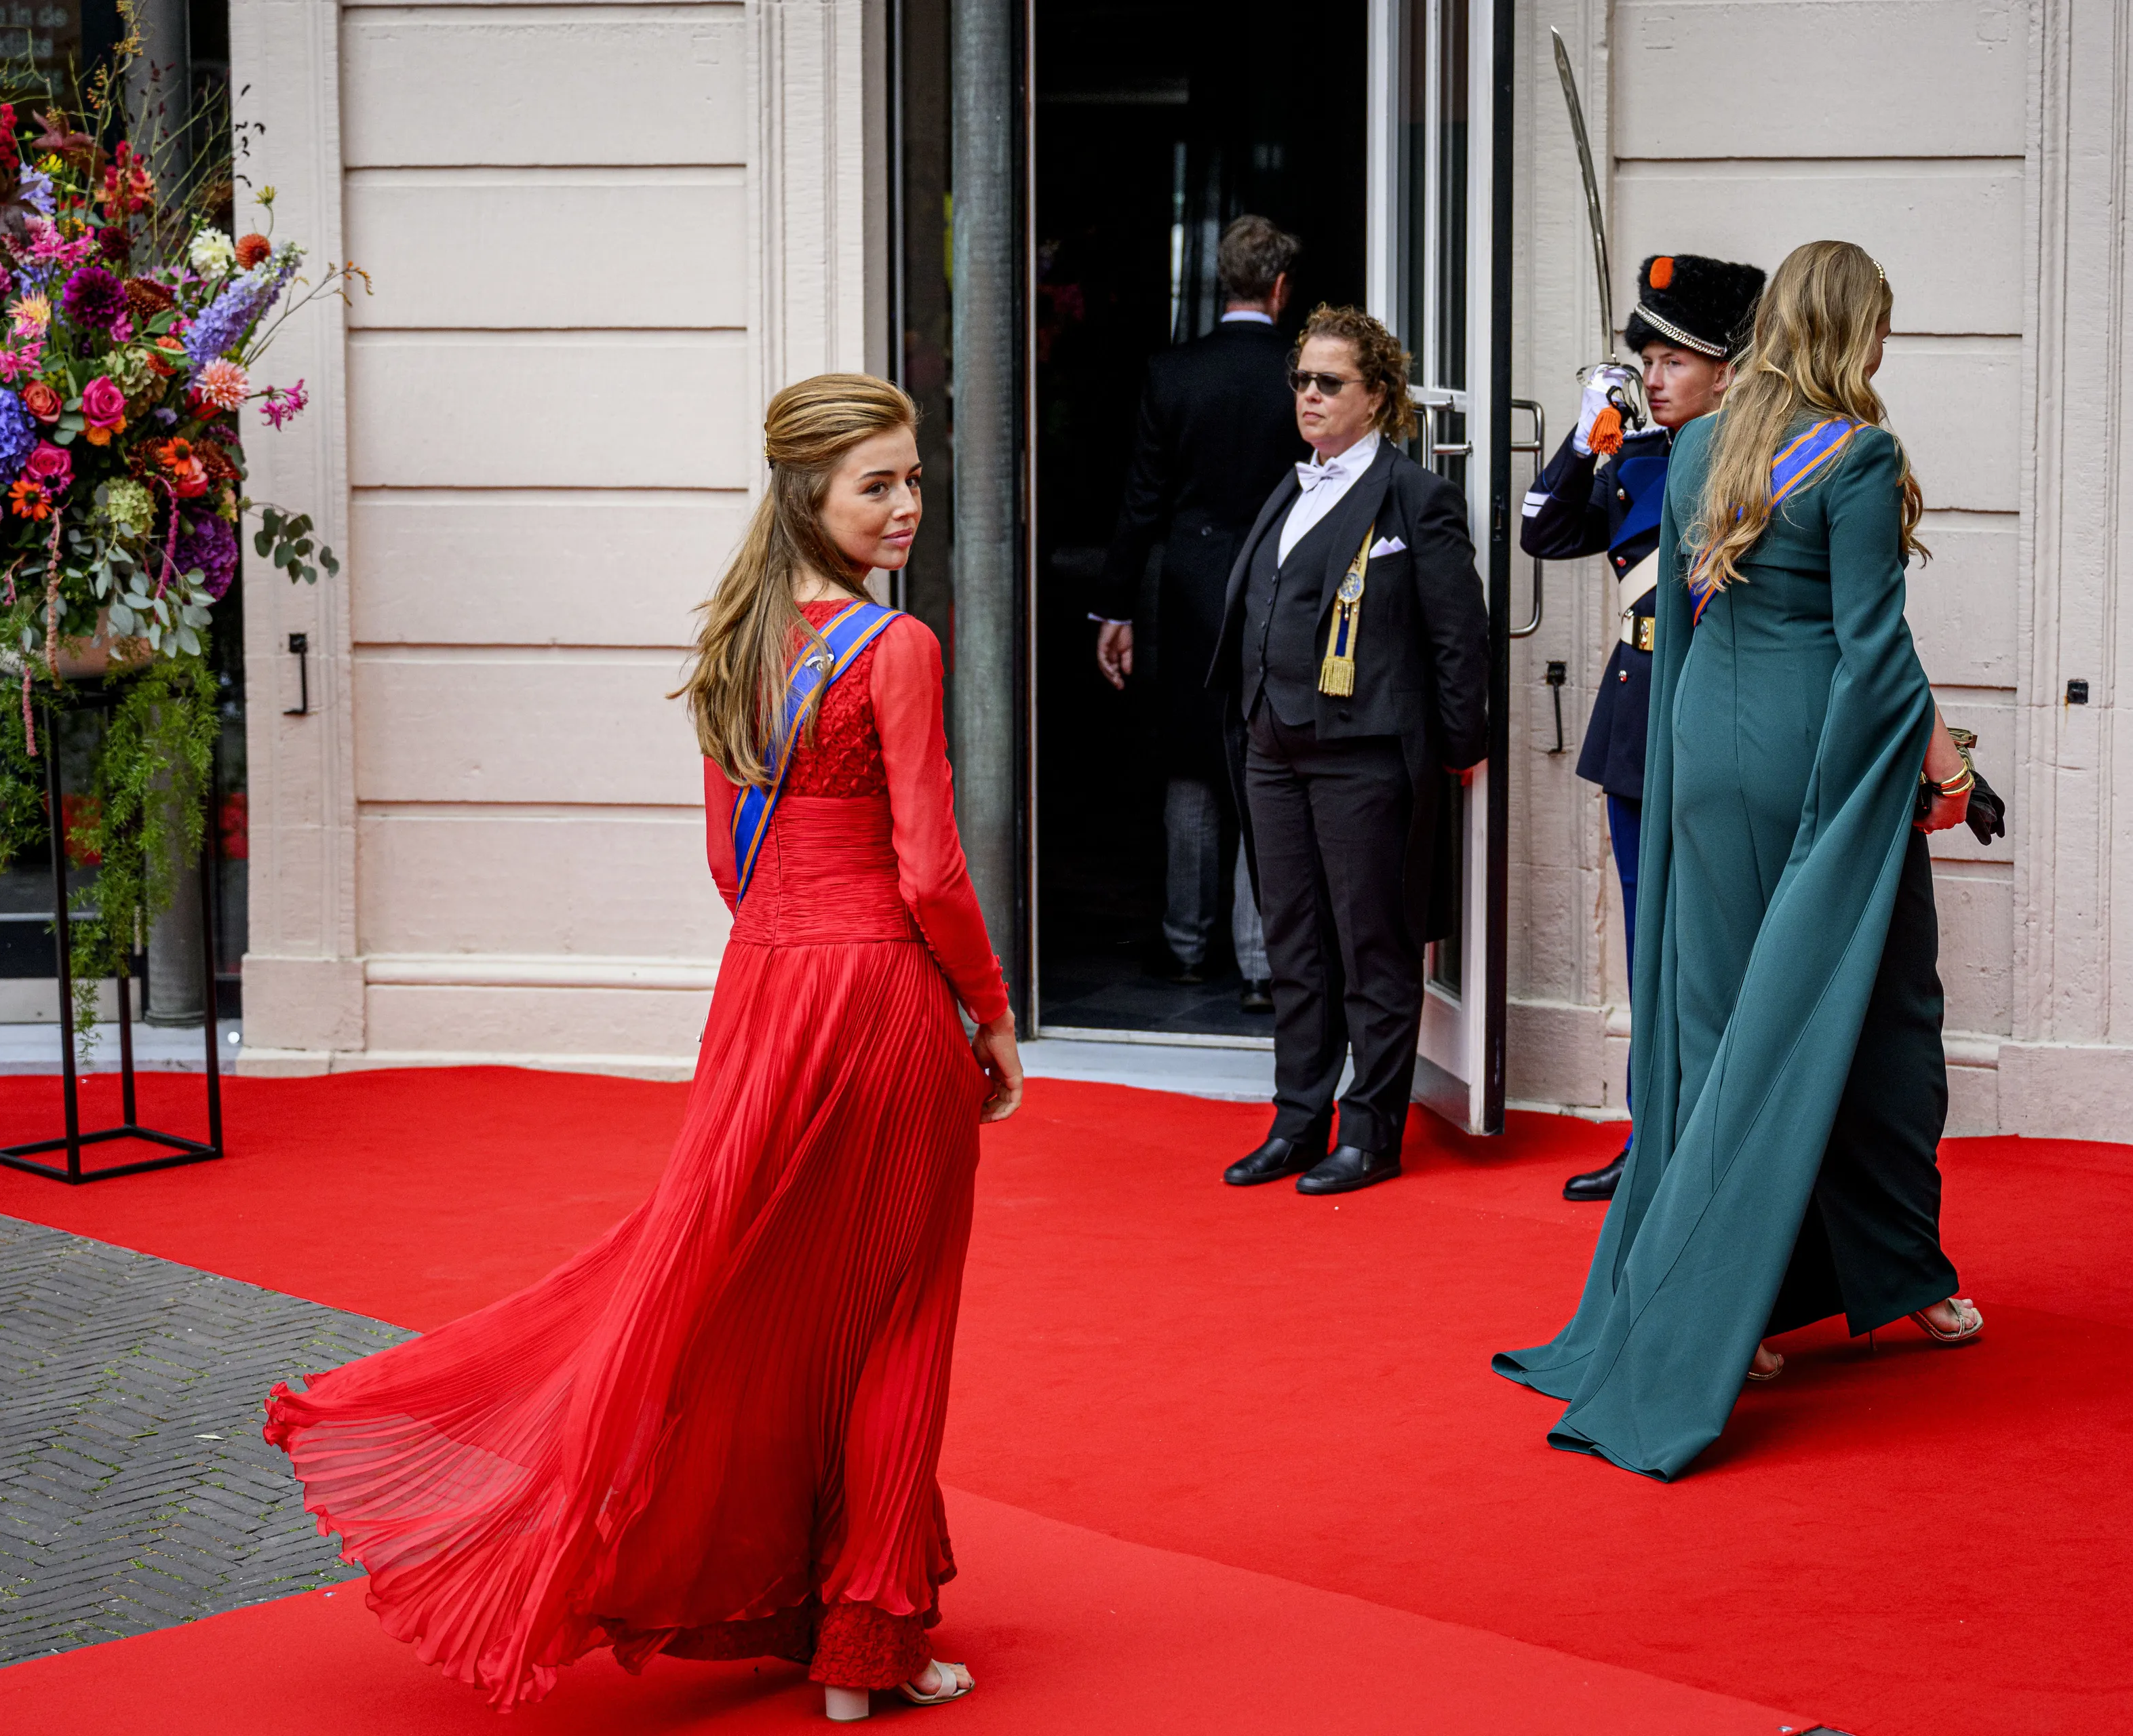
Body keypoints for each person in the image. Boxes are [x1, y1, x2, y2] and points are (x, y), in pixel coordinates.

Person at [267, 374, 1023, 1722]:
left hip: (763, 998)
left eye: (913, 479)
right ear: (809, 492)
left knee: (756, 1301)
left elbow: (726, 865)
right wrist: (992, 1011)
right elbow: (932, 869)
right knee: (896, 1321)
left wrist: (794, 945)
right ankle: (868, 1648)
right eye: (879, 484)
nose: (908, 506)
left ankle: (822, 1619)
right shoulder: (893, 649)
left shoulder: (736, 638)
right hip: (883, 998)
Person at [1493, 241, 1985, 1480]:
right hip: (1814, 768)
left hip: (1704, 762)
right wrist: (1923, 777)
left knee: (1720, 1037)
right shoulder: (1858, 455)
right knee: (1882, 1023)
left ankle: (1763, 1308)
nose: (1885, 349)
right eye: (1879, 326)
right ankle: (1862, 1283)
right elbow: (1874, 651)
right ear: (1849, 332)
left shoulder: (1706, 444)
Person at [1209, 305, 1491, 1196]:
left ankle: (1371, 1133)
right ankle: (1299, 1121)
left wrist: (1459, 747)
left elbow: (1458, 636)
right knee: (1294, 943)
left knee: (1373, 944)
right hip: (1270, 744)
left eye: (1330, 382)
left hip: (1364, 751)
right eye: (1301, 380)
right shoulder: (1293, 486)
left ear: (1379, 396)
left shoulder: (1416, 497)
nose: (1310, 396)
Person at [1522, 253, 1766, 1202]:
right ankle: (1650, 1134)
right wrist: (1588, 441)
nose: (1652, 380)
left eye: (1671, 363)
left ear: (1726, 373)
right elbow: (1545, 531)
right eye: (1646, 363)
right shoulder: (1642, 459)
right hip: (1638, 724)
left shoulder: (1746, 464)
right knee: (1649, 940)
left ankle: (1705, 1138)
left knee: (1710, 944)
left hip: (1708, 724)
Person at [1092, 216, 1306, 1010]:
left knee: (1191, 765)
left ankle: (1186, 943)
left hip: (1187, 590)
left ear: (1225, 282)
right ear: (1281, 288)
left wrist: (1115, 608)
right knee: (1264, 762)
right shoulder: (1303, 376)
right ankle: (1262, 960)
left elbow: (1141, 501)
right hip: (1279, 587)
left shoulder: (1171, 371)